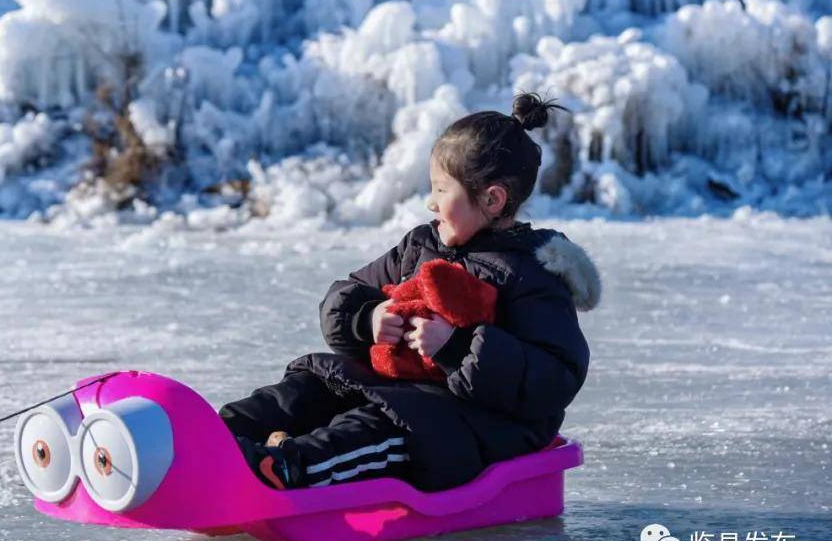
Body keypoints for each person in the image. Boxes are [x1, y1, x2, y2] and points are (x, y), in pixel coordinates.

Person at [219, 92, 601, 491]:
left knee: (375, 429)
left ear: (492, 199)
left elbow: (554, 378)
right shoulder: (421, 245)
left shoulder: (530, 273)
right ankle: (215, 438)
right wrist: (368, 318)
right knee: (310, 389)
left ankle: (286, 468)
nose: (430, 203)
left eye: (441, 190)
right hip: (403, 391)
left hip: (477, 425)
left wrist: (456, 348)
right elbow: (348, 293)